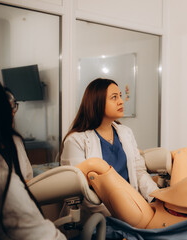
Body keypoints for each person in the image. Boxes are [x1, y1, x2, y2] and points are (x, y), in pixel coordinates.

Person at [60, 78, 158, 215]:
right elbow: (78, 189)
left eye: (120, 96)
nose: (121, 101)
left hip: (133, 207)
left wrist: (156, 198)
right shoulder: (75, 140)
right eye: (114, 97)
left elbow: (139, 172)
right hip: (100, 214)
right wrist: (118, 214)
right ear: (97, 102)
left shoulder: (125, 132)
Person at [0, 69, 65, 239]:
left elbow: (27, 174)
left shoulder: (15, 143)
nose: (13, 111)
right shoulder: (2, 183)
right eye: (9, 105)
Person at [4, 87, 33, 181]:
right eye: (7, 108)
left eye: (13, 107)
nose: (13, 113)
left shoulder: (16, 140)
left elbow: (28, 175)